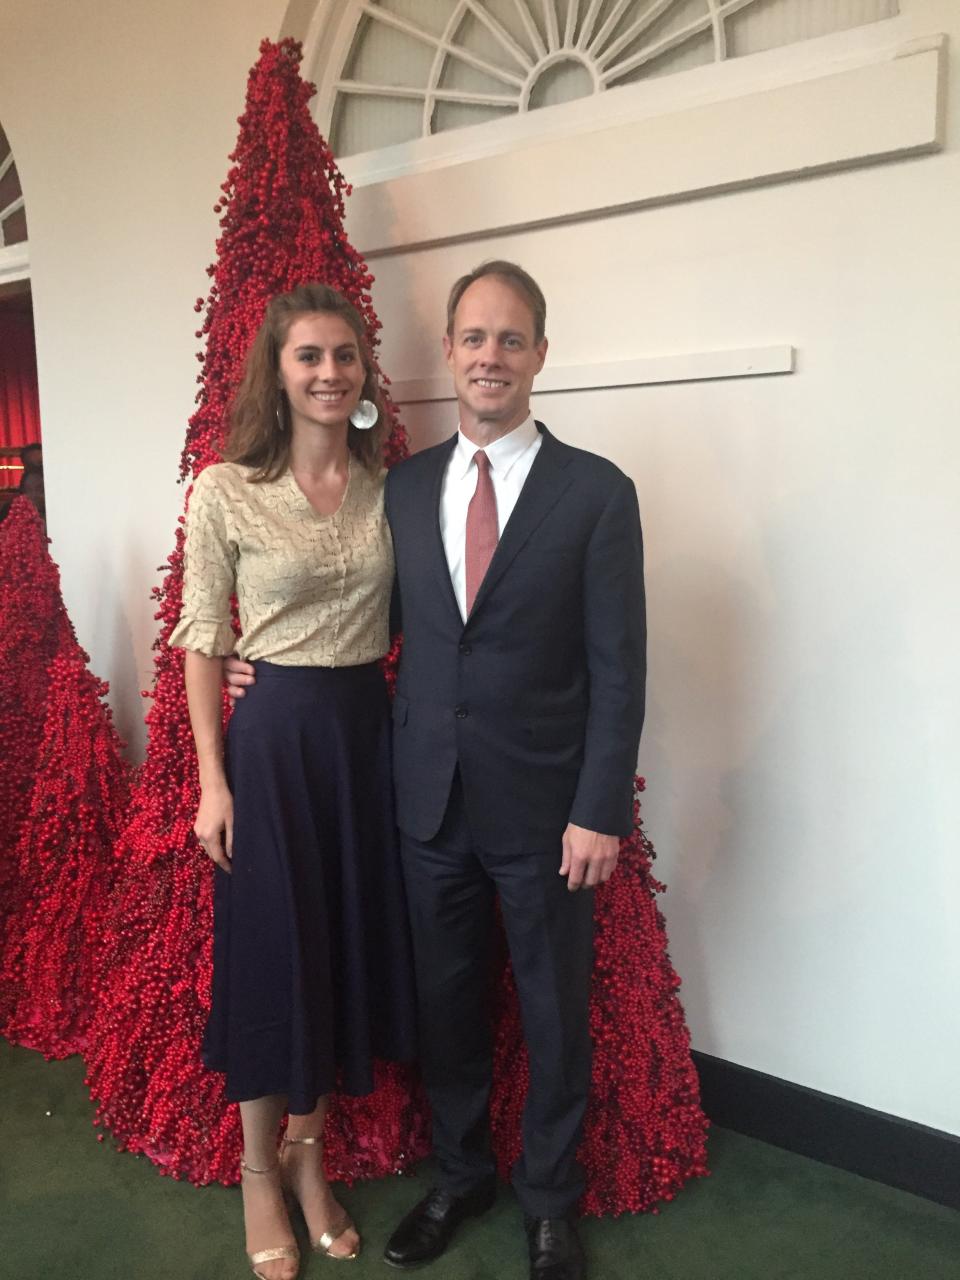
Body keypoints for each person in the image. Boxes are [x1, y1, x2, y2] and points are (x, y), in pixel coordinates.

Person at [227, 262, 645, 1280]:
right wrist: (264, 662)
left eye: (511, 338)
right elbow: (360, 615)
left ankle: (550, 1201)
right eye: (472, 337)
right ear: (447, 354)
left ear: (541, 353)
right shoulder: (403, 491)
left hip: (550, 812)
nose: (489, 356)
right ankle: (462, 1174)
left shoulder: (597, 492)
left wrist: (598, 808)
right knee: (448, 1008)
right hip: (423, 804)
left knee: (552, 1008)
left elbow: (619, 666)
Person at [170, 283, 417, 1280]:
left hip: (365, 743)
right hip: (270, 750)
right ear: (277, 372)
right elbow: (199, 637)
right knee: (276, 955)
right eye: (308, 355)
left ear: (364, 374)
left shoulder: (388, 485)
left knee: (341, 951)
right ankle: (256, 1171)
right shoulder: (224, 487)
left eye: (344, 355)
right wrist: (210, 781)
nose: (328, 371)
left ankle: (311, 1159)